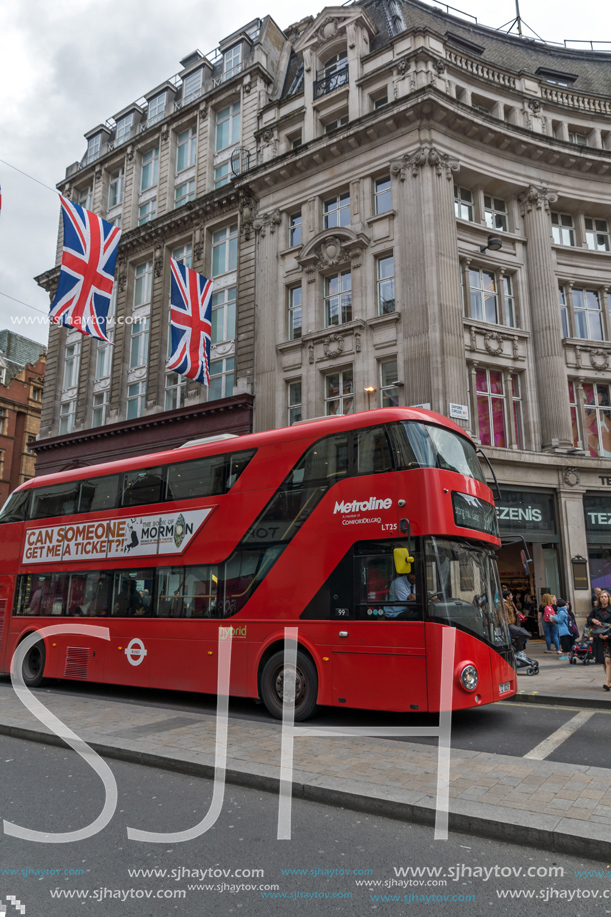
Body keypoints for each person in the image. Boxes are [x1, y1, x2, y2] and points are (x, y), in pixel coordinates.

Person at [588, 590, 611, 690]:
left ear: (608, 598)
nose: (604, 598)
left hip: (609, 637)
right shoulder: (595, 609)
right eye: (602, 597)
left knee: (608, 660)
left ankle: (607, 682)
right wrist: (593, 620)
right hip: (599, 637)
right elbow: (589, 619)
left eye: (605, 596)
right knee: (604, 661)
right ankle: (609, 681)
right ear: (599, 599)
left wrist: (608, 636)